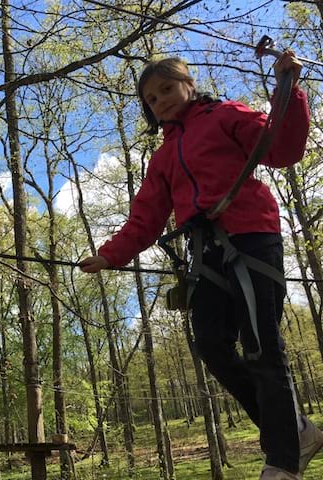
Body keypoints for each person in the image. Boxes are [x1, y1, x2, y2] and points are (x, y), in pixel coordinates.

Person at [79, 52, 323, 480]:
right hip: (205, 254)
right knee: (210, 343)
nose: (161, 101)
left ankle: (284, 461)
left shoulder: (226, 115)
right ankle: (296, 431)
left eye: (167, 89)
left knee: (261, 344)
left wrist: (289, 91)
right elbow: (145, 219)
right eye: (152, 99)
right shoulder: (162, 158)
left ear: (189, 85)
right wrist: (109, 254)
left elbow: (282, 149)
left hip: (251, 239)